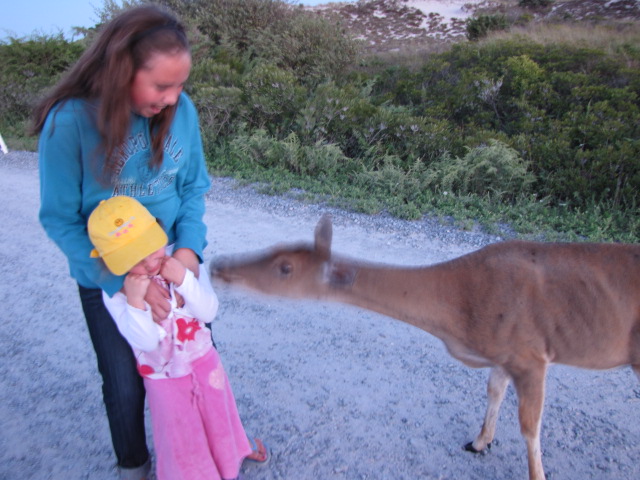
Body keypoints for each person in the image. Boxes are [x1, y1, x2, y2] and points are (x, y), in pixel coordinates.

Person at [32, 4, 267, 479]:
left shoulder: (181, 110)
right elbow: (60, 220)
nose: (173, 97)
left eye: (181, 85)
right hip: (110, 276)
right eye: (162, 86)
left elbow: (193, 188)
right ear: (121, 71)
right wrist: (125, 282)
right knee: (125, 383)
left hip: (172, 263)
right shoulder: (69, 123)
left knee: (200, 368)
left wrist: (186, 254)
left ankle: (221, 451)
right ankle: (134, 467)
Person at [87, 195, 266, 480]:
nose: (148, 263)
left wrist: (184, 279)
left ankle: (230, 458)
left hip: (205, 363)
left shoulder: (179, 258)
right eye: (132, 258)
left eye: (149, 249)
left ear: (158, 231)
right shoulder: (119, 292)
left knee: (219, 417)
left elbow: (208, 312)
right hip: (163, 380)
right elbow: (145, 343)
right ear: (114, 263)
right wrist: (135, 302)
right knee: (181, 436)